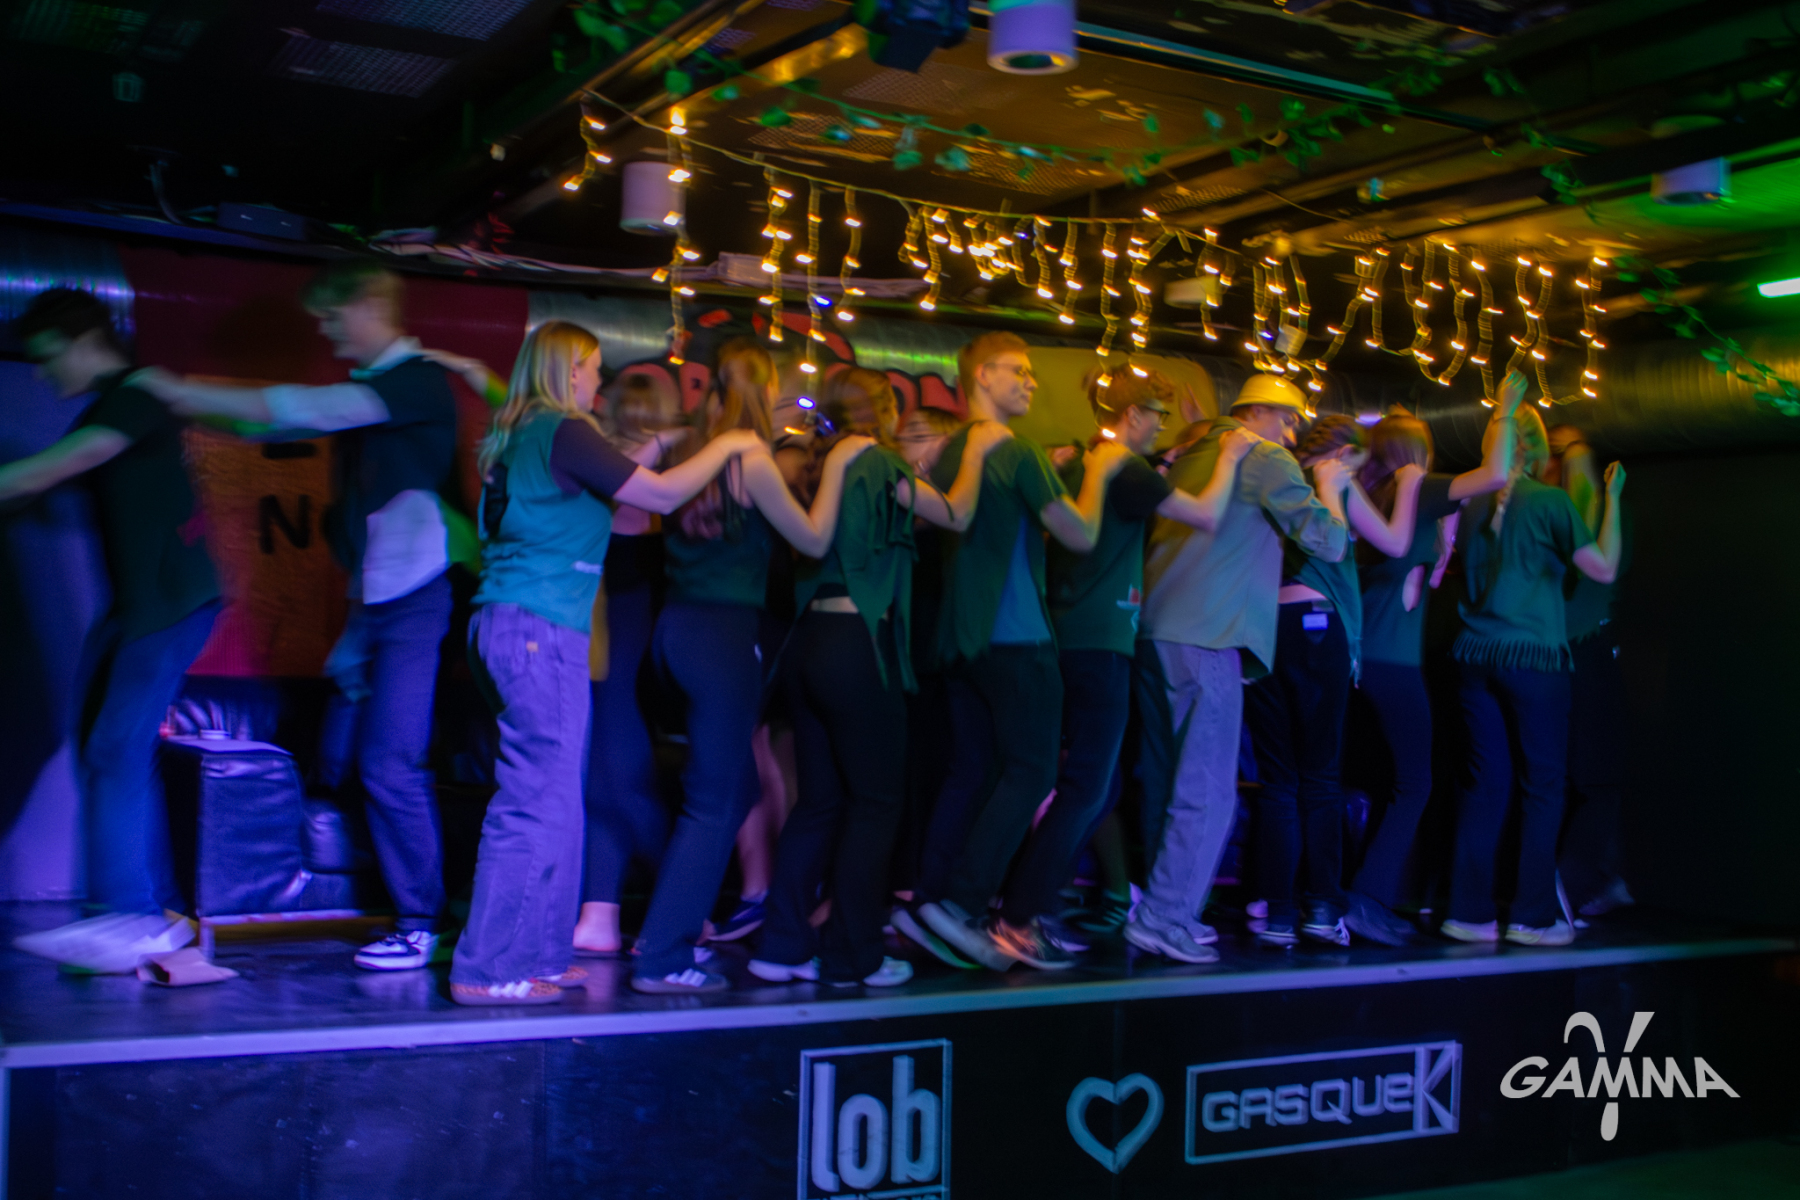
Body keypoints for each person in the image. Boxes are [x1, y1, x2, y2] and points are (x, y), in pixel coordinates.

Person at [137, 261, 469, 972]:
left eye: (330, 316)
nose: (325, 332)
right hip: (374, 605)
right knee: (338, 760)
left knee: (390, 763)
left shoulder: (413, 383)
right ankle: (400, 899)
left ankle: (424, 923)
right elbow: (275, 432)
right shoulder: (373, 396)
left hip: (418, 601)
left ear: (369, 305)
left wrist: (179, 389)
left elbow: (303, 410)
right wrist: (353, 629)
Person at [441, 322, 760, 1004]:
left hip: (510, 623)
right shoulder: (562, 428)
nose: (598, 381)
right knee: (534, 803)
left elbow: (612, 492)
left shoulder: (523, 432)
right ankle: (487, 968)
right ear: (567, 370)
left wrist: (670, 441)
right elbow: (661, 496)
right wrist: (730, 442)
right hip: (538, 628)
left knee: (557, 801)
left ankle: (536, 954)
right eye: (590, 368)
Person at [748, 369, 1010, 988]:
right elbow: (958, 512)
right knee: (876, 805)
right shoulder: (874, 460)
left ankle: (781, 947)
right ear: (882, 408)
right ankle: (854, 956)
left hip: (807, 643)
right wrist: (975, 449)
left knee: (819, 804)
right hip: (856, 647)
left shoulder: (819, 461)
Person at [990, 369, 1260, 968]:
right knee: (1088, 786)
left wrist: (1172, 456)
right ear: (1133, 414)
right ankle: (1018, 917)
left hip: (1064, 636)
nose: (1161, 425)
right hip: (1101, 642)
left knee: (1093, 785)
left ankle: (1024, 906)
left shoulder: (1084, 460)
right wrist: (1229, 456)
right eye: (1157, 415)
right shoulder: (1124, 467)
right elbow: (1207, 514)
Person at [629, 338, 873, 995]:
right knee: (715, 801)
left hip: (675, 631)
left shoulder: (690, 451)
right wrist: (840, 465)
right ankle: (660, 958)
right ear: (764, 393)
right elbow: (813, 537)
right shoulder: (752, 459)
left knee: (732, 791)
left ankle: (671, 931)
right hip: (724, 638)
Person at [894, 332, 1131, 972]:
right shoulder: (1018, 451)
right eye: (1018, 371)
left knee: (971, 772)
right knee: (1032, 773)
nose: (1030, 382)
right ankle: (964, 902)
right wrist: (1100, 472)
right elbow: (1078, 533)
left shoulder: (950, 451)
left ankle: (933, 899)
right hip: (1018, 636)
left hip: (960, 640)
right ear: (982, 376)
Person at [6, 288, 221, 974]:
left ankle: (130, 914)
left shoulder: (134, 395)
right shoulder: (113, 407)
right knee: (103, 751)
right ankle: (147, 913)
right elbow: (44, 486)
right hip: (135, 608)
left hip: (169, 604)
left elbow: (55, 467)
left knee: (114, 750)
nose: (44, 373)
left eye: (48, 356)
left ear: (83, 341)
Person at [1126, 372, 1349, 965]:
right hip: (1210, 634)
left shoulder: (1192, 452)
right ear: (1259, 412)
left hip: (1157, 632)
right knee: (1207, 791)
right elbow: (1329, 543)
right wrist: (1330, 490)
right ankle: (1164, 917)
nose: (1293, 433)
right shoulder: (1265, 456)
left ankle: (1172, 906)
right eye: (1290, 419)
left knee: (1168, 782)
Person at [1439, 404, 1625, 947]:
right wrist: (1612, 499)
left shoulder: (1469, 503)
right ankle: (1532, 918)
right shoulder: (1551, 502)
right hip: (1534, 659)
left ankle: (1468, 914)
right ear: (1538, 449)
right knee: (1543, 787)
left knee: (1484, 786)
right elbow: (1604, 568)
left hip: (1474, 656)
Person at [1344, 378, 1522, 945]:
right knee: (1415, 782)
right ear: (1418, 452)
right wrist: (1504, 411)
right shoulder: (1418, 487)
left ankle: (1356, 896)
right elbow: (1494, 473)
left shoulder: (1369, 493)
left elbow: (1424, 574)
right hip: (1393, 661)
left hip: (1361, 657)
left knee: (1375, 779)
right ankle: (1367, 899)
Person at [1242, 415, 1421, 949]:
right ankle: (1321, 910)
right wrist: (1410, 483)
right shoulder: (1333, 478)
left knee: (1278, 781)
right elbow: (1392, 542)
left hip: (1264, 629)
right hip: (1319, 626)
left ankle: (1277, 915)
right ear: (1344, 454)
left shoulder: (1272, 480)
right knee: (1320, 778)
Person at [1542, 423, 1633, 919]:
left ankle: (1591, 880)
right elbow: (1603, 570)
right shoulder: (1581, 510)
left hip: (1551, 651)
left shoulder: (1543, 509)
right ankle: (1574, 885)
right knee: (1595, 778)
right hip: (1578, 649)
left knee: (1564, 776)